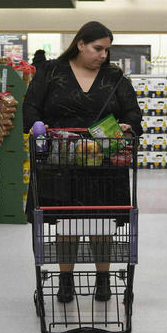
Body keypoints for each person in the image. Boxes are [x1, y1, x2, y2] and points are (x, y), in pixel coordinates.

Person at [23, 21, 142, 304]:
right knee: (67, 226)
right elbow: (31, 108)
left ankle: (103, 280)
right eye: (97, 48)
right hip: (60, 165)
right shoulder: (51, 72)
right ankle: (66, 281)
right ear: (80, 44)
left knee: (102, 226)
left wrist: (128, 126)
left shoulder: (115, 77)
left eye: (106, 50)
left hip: (105, 167)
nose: (103, 55)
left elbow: (133, 113)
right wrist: (36, 126)